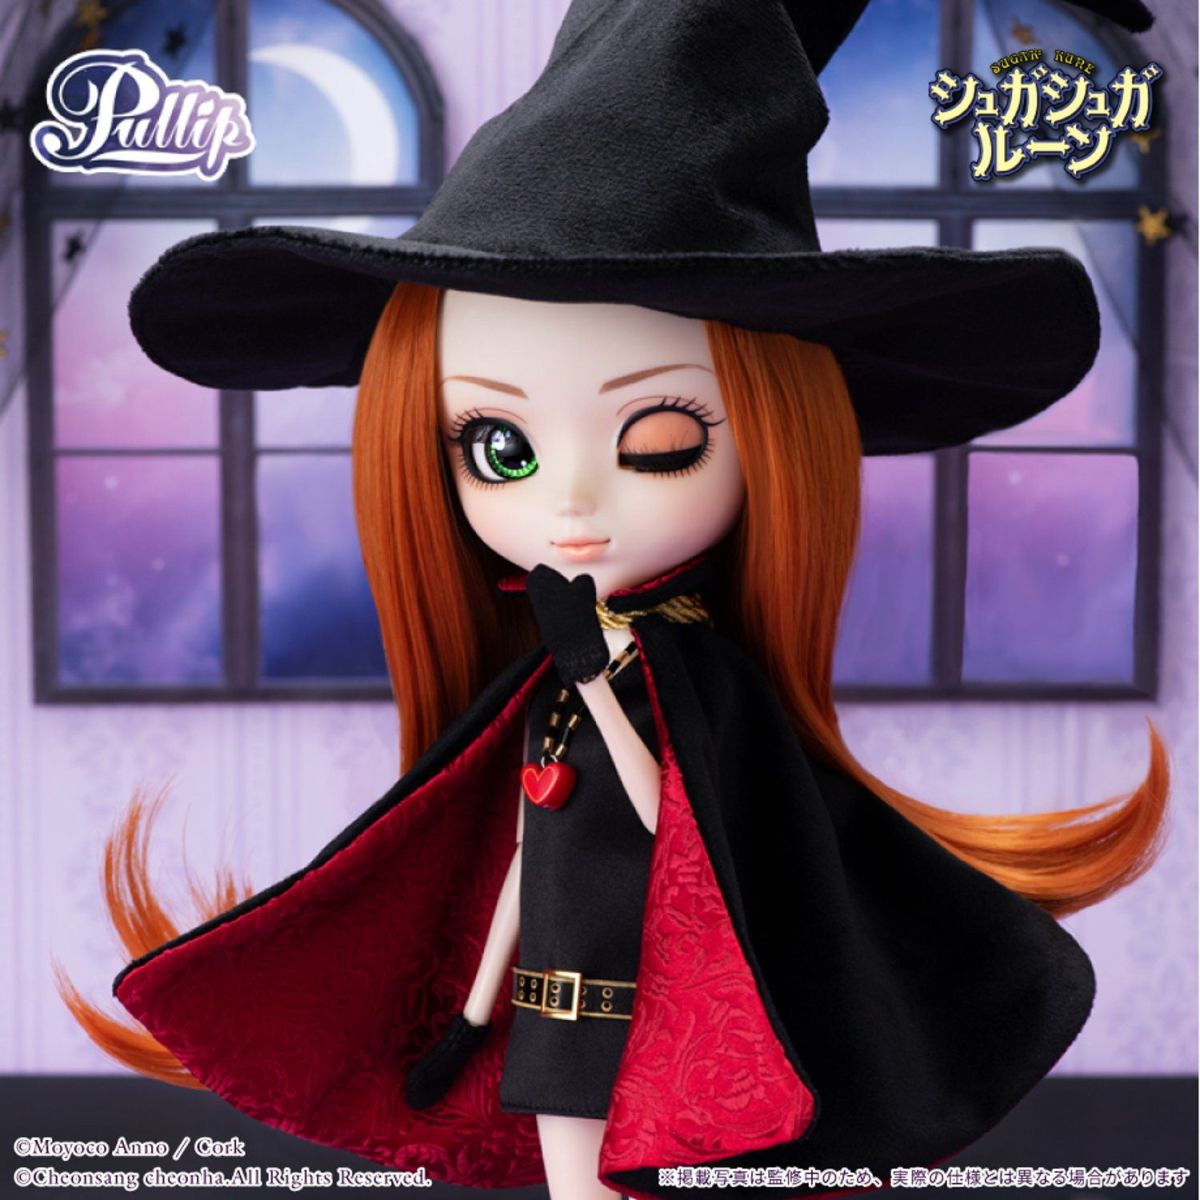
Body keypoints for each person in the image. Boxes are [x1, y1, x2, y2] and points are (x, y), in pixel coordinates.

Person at [59, 2, 1167, 1198]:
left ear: (777, 437)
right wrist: (471, 1007)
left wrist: (597, 682)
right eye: (500, 448)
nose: (573, 505)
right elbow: (526, 851)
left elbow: (666, 812)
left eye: (659, 442)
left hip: (664, 1001)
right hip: (552, 998)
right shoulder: (544, 679)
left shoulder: (680, 680)